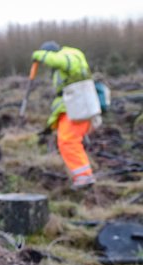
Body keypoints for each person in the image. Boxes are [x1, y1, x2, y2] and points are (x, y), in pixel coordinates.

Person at [32, 41, 97, 189]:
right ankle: (82, 175)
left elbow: (58, 60)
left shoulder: (68, 56)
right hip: (73, 108)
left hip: (76, 108)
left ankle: (84, 176)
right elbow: (60, 107)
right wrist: (50, 125)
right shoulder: (66, 64)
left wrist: (38, 55)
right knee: (67, 141)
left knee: (69, 142)